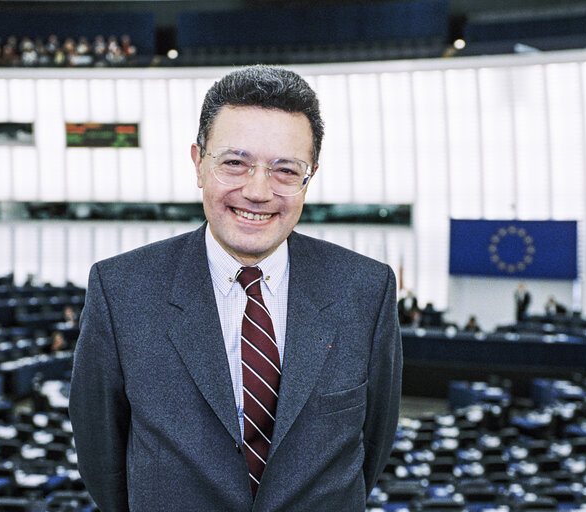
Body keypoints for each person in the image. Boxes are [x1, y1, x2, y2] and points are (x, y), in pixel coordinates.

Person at [69, 65, 403, 511]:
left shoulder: (366, 289)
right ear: (198, 164)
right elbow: (103, 463)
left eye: (286, 170)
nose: (258, 190)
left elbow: (373, 445)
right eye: (234, 163)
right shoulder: (121, 290)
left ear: (310, 176)